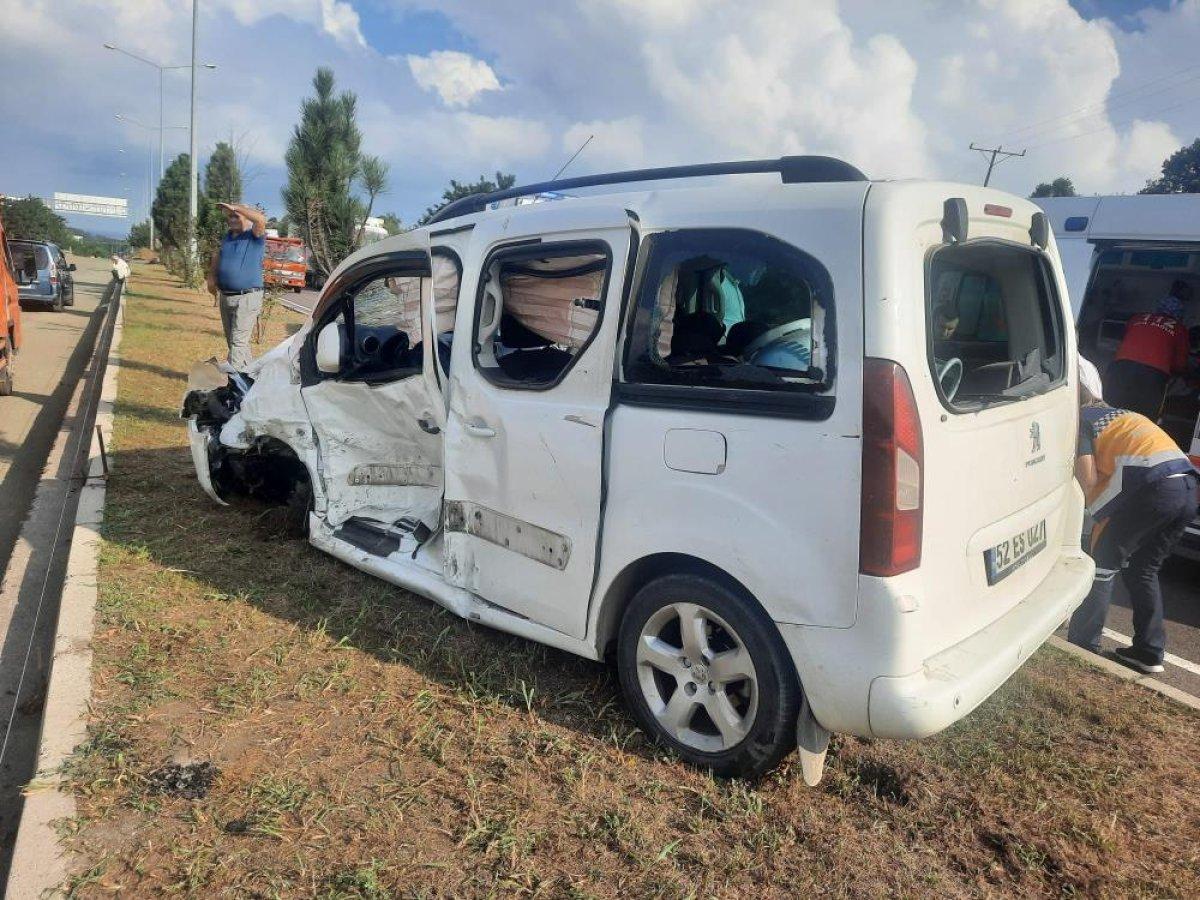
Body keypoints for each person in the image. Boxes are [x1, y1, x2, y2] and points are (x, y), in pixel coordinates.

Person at [1067, 357, 1199, 673]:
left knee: (1102, 563)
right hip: (1188, 487)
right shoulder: (1122, 414)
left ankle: (1083, 646)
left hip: (1153, 490)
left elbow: (1088, 481)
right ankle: (1148, 651)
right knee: (1143, 568)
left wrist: (1087, 517)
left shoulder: (1082, 420)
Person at [1104, 281, 1193, 418]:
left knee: (1109, 409)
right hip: (1152, 376)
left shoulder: (1137, 318)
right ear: (1179, 315)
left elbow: (1124, 341)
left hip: (1120, 368)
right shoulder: (1179, 329)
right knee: (1143, 417)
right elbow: (1180, 364)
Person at [207, 202, 267, 370]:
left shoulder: (254, 235)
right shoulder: (227, 237)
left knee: (238, 342)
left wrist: (236, 207)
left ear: (247, 218)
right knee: (235, 343)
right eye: (230, 216)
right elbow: (217, 257)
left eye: (236, 216)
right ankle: (249, 377)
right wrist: (211, 276)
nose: (232, 219)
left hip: (247, 296)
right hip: (226, 296)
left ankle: (233, 385)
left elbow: (261, 219)